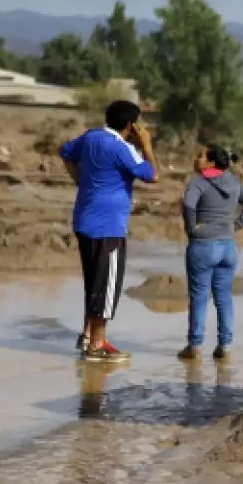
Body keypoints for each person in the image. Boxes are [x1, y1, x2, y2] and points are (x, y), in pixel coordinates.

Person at [60, 99, 159, 362]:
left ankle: (87, 335)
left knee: (93, 281)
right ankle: (97, 344)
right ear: (131, 125)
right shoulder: (122, 148)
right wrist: (147, 146)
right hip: (109, 226)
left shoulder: (91, 137)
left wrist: (80, 180)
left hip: (84, 219)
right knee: (106, 286)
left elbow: (66, 153)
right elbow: (152, 175)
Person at [177, 145, 243, 361]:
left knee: (199, 297)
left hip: (203, 246)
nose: (196, 158)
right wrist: (236, 225)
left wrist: (191, 228)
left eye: (200, 156)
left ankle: (195, 346)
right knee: (224, 298)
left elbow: (188, 205)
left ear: (211, 162)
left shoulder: (198, 182)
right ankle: (225, 346)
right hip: (227, 247)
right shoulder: (233, 181)